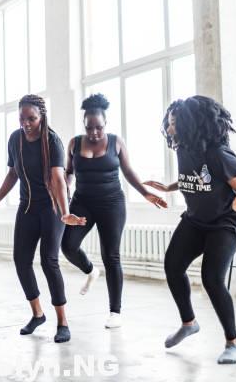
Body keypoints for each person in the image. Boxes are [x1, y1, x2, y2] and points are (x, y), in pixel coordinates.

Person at [143, 95, 236, 365]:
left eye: (174, 123)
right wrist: (170, 187)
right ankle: (189, 323)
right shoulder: (183, 148)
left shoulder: (219, 153)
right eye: (169, 122)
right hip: (196, 219)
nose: (169, 128)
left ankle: (233, 342)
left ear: (191, 124)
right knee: (173, 265)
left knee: (212, 278)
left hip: (225, 222)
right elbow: (196, 176)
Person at [0, 94, 86, 343]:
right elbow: (13, 174)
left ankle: (62, 322)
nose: (26, 123)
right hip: (27, 207)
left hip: (52, 208)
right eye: (22, 118)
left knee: (49, 261)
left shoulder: (52, 141)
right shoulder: (15, 139)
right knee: (21, 260)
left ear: (41, 117)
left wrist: (65, 211)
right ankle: (38, 314)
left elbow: (58, 179)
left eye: (31, 118)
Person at [61, 94, 167, 329]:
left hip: (111, 204)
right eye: (89, 128)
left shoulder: (116, 142)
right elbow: (69, 172)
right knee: (67, 245)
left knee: (111, 256)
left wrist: (145, 193)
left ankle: (115, 312)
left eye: (98, 127)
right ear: (84, 125)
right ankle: (90, 271)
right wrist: (64, 191)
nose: (94, 133)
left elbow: (128, 171)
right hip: (82, 202)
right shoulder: (74, 143)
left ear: (105, 123)